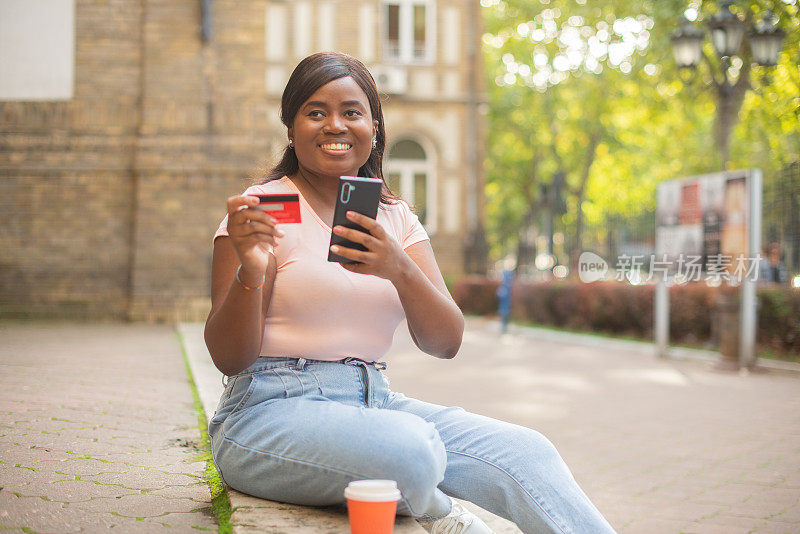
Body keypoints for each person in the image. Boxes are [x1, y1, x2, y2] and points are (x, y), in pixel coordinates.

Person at [204, 52, 615, 534]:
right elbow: (230, 358)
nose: (335, 124)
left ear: (374, 128)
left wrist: (398, 267)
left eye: (352, 112)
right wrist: (250, 271)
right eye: (316, 112)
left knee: (526, 452)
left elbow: (447, 341)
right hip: (267, 413)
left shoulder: (395, 217)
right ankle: (442, 515)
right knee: (410, 448)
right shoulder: (265, 210)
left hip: (374, 401)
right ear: (291, 129)